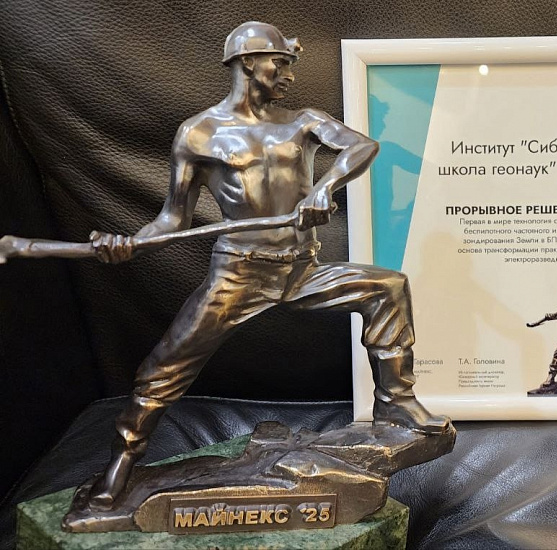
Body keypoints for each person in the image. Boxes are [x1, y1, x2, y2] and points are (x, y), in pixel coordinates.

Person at [85, 21, 449, 510]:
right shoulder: (199, 133)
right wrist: (128, 244)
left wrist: (324, 188)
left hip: (301, 270)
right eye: (280, 63)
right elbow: (172, 220)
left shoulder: (303, 122)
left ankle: (396, 400)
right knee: (163, 368)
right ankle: (122, 464)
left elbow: (363, 146)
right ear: (247, 61)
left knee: (388, 287)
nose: (289, 76)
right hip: (239, 275)